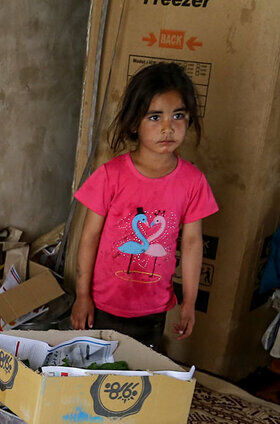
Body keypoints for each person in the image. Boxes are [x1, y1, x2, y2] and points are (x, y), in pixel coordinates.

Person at [71, 62, 218, 350]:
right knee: (91, 373)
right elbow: (88, 238)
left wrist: (189, 302)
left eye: (178, 115)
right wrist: (82, 295)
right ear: (133, 122)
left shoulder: (193, 181)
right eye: (155, 117)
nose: (167, 127)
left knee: (136, 375)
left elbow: (191, 243)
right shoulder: (111, 175)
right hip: (102, 304)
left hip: (153, 310)